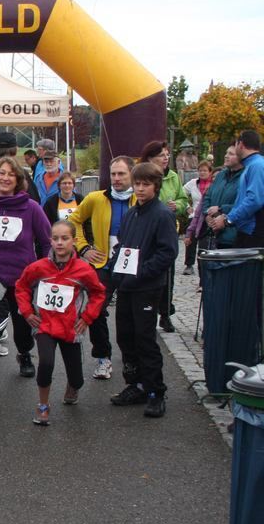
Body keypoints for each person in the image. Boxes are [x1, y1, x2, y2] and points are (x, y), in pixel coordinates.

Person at [15, 220, 105, 425]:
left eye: (65, 238)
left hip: (71, 328)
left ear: (74, 241)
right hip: (44, 325)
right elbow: (21, 286)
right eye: (55, 238)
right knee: (46, 363)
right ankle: (43, 405)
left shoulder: (84, 270)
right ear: (50, 241)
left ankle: (73, 385)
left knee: (77, 378)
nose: (60, 243)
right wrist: (28, 312)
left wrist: (87, 317)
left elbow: (98, 293)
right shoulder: (38, 267)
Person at [107, 162, 179, 418]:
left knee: (145, 339)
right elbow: (123, 249)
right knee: (125, 336)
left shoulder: (162, 214)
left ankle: (155, 391)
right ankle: (135, 384)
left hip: (147, 287)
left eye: (145, 184)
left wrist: (140, 273)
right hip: (126, 286)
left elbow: (168, 252)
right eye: (137, 184)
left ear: (155, 186)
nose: (140, 189)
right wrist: (113, 279)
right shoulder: (131, 214)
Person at [0, 156, 51, 378]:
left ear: (18, 179)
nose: (5, 178)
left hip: (22, 279)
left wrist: (44, 270)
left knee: (22, 328)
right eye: (1, 173)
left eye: (11, 174)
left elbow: (47, 242)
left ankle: (25, 353)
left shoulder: (31, 208)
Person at [68, 156, 136, 380]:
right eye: (113, 174)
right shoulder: (96, 198)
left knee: (130, 315)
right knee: (95, 311)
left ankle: (131, 361)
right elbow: (73, 221)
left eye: (121, 174)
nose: (116, 179)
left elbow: (167, 221)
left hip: (132, 265)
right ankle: (103, 357)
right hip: (103, 263)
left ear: (132, 175)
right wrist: (83, 247)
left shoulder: (142, 198)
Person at [139, 140, 188, 332]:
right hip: (147, 231)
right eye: (161, 155)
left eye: (167, 154)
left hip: (168, 229)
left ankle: (166, 313)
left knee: (168, 275)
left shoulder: (173, 177)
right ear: (150, 158)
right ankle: (148, 309)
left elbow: (183, 199)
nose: (166, 158)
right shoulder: (142, 175)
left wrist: (178, 205)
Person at [206, 131, 264, 248]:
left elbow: (254, 200)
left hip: (253, 232)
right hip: (246, 231)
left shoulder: (256, 166)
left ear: (240, 145)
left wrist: (228, 219)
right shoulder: (252, 165)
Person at [193, 145, 243, 251]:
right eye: (226, 153)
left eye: (231, 154)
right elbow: (207, 196)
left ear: (241, 158)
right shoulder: (220, 175)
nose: (226, 156)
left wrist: (221, 209)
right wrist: (207, 214)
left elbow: (244, 205)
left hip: (234, 237)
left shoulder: (245, 177)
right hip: (214, 235)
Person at [181, 160, 214, 274]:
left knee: (204, 243)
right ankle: (189, 264)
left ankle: (204, 265)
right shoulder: (193, 183)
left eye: (205, 170)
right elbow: (181, 193)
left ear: (210, 172)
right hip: (194, 214)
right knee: (190, 239)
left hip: (208, 217)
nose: (202, 173)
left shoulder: (214, 184)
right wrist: (186, 206)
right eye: (200, 170)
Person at [32, 139, 63, 206]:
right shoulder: (39, 178)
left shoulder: (64, 179)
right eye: (46, 162)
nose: (49, 164)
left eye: (51, 161)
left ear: (58, 162)